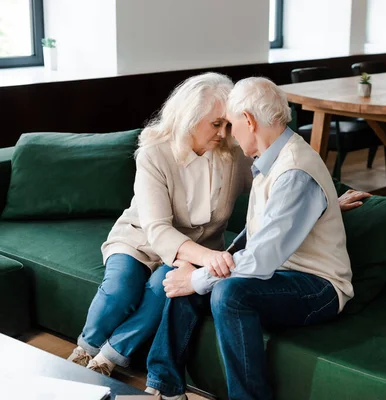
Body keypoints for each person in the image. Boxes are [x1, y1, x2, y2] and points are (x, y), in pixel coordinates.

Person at [145, 77, 358, 400]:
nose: (227, 133)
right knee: (188, 276)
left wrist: (199, 278)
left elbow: (260, 261)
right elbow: (265, 231)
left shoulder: (294, 171)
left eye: (230, 124)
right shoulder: (271, 158)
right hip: (282, 274)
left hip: (320, 287)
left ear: (248, 121)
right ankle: (164, 388)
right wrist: (197, 274)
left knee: (228, 292)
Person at [66, 72, 254, 376]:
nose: (223, 132)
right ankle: (84, 349)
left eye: (228, 124)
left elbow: (276, 179)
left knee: (162, 290)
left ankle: (109, 358)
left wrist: (322, 198)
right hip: (139, 239)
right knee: (120, 289)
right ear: (189, 118)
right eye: (216, 124)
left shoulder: (232, 154)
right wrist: (209, 258)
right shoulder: (155, 153)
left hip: (195, 250)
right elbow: (158, 229)